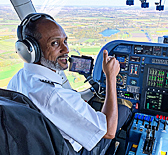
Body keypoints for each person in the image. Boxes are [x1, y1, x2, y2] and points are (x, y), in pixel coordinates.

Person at [7, 13, 131, 155]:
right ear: (31, 50)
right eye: (55, 43)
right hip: (72, 150)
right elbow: (108, 131)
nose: (66, 50)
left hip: (39, 147)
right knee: (124, 110)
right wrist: (111, 77)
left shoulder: (19, 78)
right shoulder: (55, 96)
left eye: (65, 41)